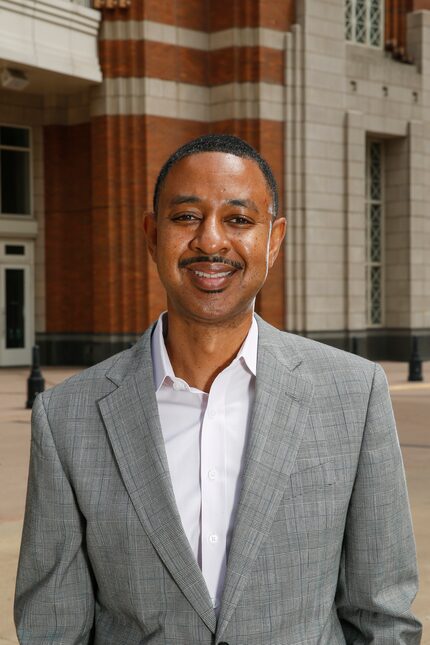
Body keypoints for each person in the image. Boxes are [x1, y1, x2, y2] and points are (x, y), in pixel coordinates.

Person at [15, 134, 422, 644]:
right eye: (186, 217)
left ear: (273, 241)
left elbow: (383, 617)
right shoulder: (67, 416)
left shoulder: (354, 394)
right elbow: (53, 629)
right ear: (151, 234)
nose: (210, 241)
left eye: (238, 220)